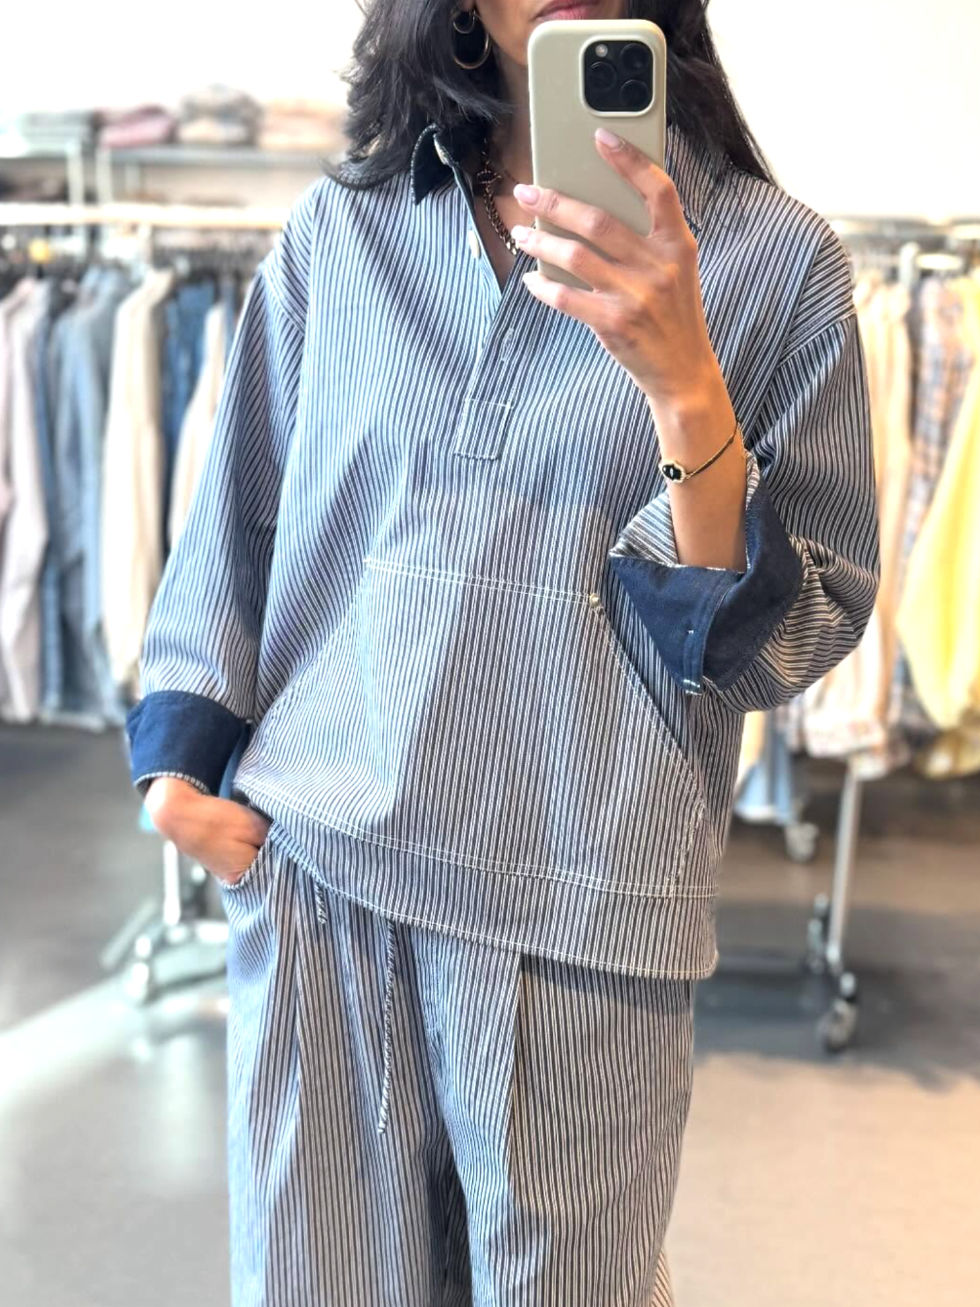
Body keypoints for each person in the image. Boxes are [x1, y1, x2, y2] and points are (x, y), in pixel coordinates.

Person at [126, 1, 880, 1303]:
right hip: (324, 878)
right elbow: (240, 513)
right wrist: (178, 764)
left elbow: (797, 631)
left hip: (586, 906)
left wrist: (687, 390)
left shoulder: (777, 264)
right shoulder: (345, 230)